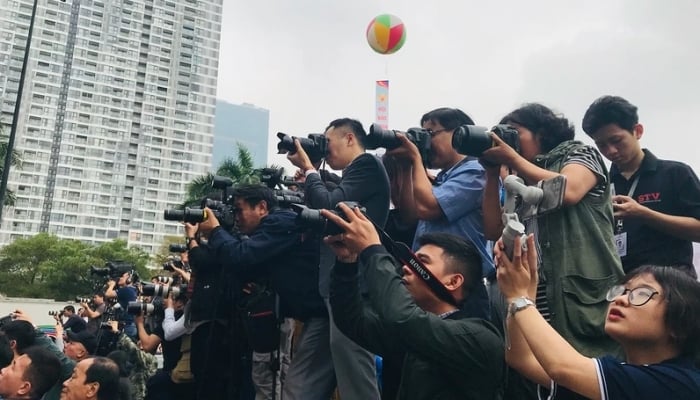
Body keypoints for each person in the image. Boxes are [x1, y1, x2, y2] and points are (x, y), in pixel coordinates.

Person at [480, 103, 624, 357]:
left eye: (513, 132)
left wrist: (511, 159)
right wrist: (492, 176)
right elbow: (492, 229)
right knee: (545, 376)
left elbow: (568, 191)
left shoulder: (580, 153)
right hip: (537, 294)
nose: (506, 142)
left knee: (588, 374)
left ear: (542, 132)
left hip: (581, 296)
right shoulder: (520, 177)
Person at [323, 203, 504, 399]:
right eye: (410, 261)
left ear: (453, 281)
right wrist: (347, 262)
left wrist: (372, 249)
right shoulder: (413, 334)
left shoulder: (477, 338)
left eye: (422, 262)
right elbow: (352, 321)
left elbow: (402, 316)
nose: (407, 268)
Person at [496, 233, 700, 399]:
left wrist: (519, 298)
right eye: (621, 291)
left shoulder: (679, 383)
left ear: (680, 323)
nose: (620, 300)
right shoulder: (617, 374)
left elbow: (562, 367)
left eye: (641, 294)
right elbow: (522, 358)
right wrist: (529, 287)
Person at [286, 117, 390, 400]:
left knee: (355, 375)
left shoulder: (367, 165)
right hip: (332, 289)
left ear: (349, 139)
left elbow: (328, 207)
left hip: (354, 287)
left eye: (327, 141)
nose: (325, 149)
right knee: (301, 381)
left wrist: (309, 169)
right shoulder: (352, 176)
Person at [193, 183, 327, 400]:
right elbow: (242, 267)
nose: (235, 217)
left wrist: (216, 231)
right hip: (317, 317)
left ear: (262, 207)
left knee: (311, 387)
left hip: (328, 317)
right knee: (298, 390)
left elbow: (241, 257)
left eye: (239, 209)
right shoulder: (271, 231)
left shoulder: (280, 221)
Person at [385, 107, 493, 319]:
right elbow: (410, 214)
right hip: (426, 282)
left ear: (458, 133)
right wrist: (406, 167)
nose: (426, 142)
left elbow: (428, 208)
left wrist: (416, 158)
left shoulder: (476, 172)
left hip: (459, 286)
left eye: (430, 134)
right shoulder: (444, 177)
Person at [582, 95, 700, 276]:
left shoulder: (675, 173)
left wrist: (644, 214)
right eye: (601, 145)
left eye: (616, 140)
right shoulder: (599, 184)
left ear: (637, 131)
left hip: (670, 284)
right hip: (618, 288)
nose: (610, 151)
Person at [105, 272, 138, 340]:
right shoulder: (132, 290)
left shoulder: (126, 290)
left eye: (123, 277)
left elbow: (108, 294)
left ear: (129, 279)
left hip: (126, 327)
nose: (120, 278)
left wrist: (112, 284)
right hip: (130, 326)